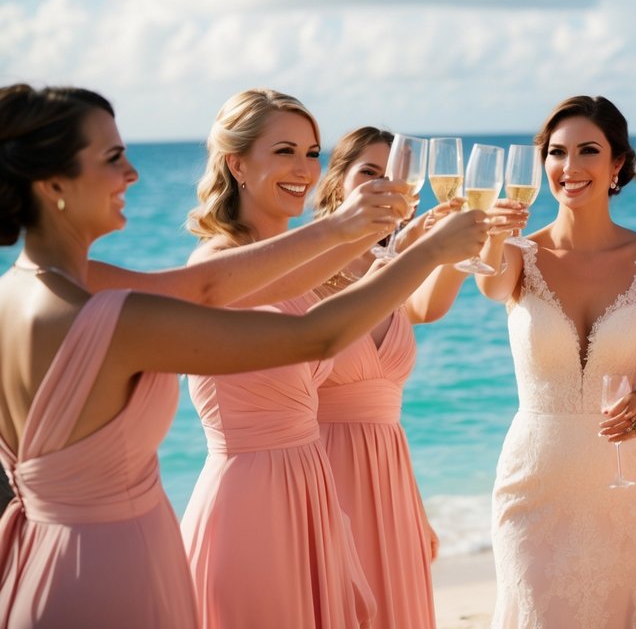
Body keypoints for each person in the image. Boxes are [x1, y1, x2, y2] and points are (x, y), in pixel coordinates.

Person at [0, 84, 487, 627]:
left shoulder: (19, 294)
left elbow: (246, 286)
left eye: (311, 152)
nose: (133, 174)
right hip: (115, 566)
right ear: (52, 184)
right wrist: (423, 252)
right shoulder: (117, 314)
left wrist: (377, 242)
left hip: (45, 556)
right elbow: (285, 322)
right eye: (114, 158)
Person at [177, 89, 474, 628]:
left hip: (310, 496)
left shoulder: (295, 266)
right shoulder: (220, 263)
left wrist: (414, 243)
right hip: (253, 500)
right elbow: (323, 334)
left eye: (312, 153)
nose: (303, 168)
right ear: (236, 164)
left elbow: (364, 286)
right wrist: (426, 249)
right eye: (285, 151)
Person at [474, 96, 636, 628]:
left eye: (588, 150)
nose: (570, 167)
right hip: (535, 478)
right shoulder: (518, 253)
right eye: (556, 152)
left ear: (617, 164)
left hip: (627, 479)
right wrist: (494, 231)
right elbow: (490, 285)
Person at [312, 127, 470, 629]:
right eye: (370, 173)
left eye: (398, 178)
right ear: (338, 184)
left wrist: (463, 242)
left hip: (392, 478)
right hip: (322, 472)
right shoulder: (304, 271)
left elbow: (429, 306)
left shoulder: (392, 269)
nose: (386, 186)